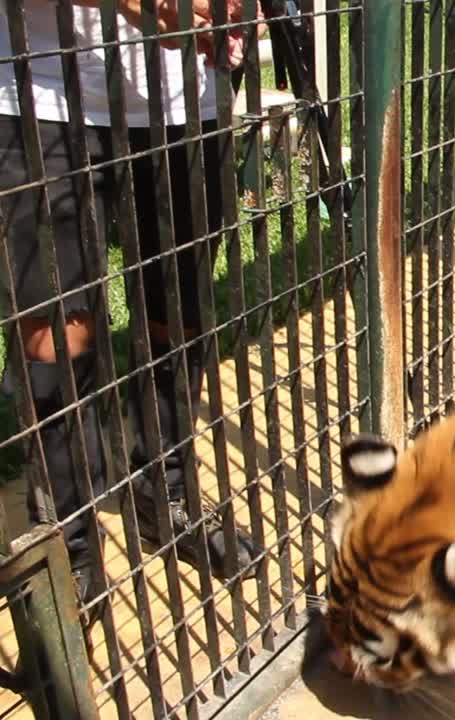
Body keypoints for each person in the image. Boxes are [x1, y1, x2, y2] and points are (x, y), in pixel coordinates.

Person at [0, 0, 265, 629]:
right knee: (56, 337)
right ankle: (72, 544)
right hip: (45, 95)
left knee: (180, 315)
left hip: (186, 102)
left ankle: (163, 496)